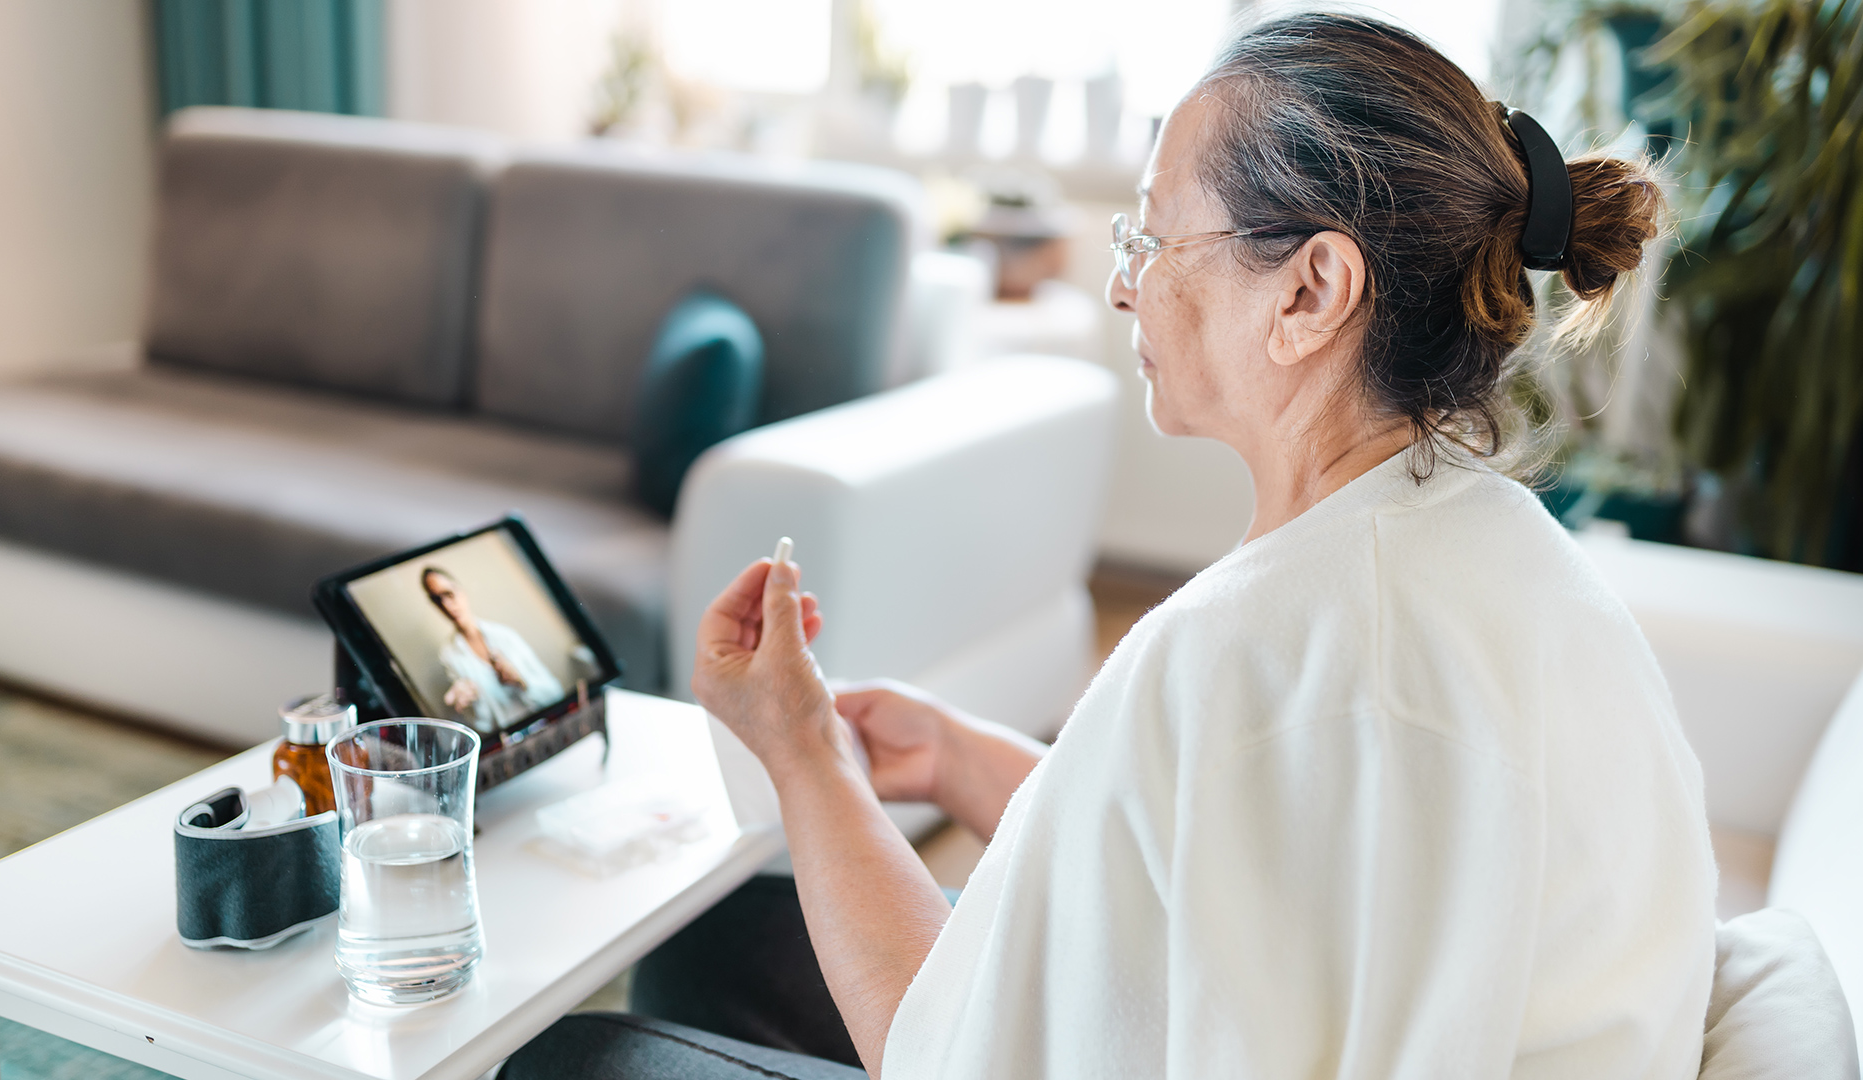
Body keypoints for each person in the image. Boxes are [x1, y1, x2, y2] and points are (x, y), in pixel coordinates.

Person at [501, 13, 1713, 1079]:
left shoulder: (1239, 652)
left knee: (568, 1053)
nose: (1123, 288)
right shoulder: (1503, 555)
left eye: (1150, 240)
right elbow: (1251, 874)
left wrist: (803, 750)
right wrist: (982, 766)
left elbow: (945, 1056)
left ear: (1308, 293)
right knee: (719, 947)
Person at [421, 566, 565, 734]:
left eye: (448, 594)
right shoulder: (449, 655)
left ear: (461, 590)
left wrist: (521, 682)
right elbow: (485, 726)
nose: (446, 605)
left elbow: (556, 693)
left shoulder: (505, 635)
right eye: (437, 599)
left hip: (548, 726)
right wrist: (474, 703)